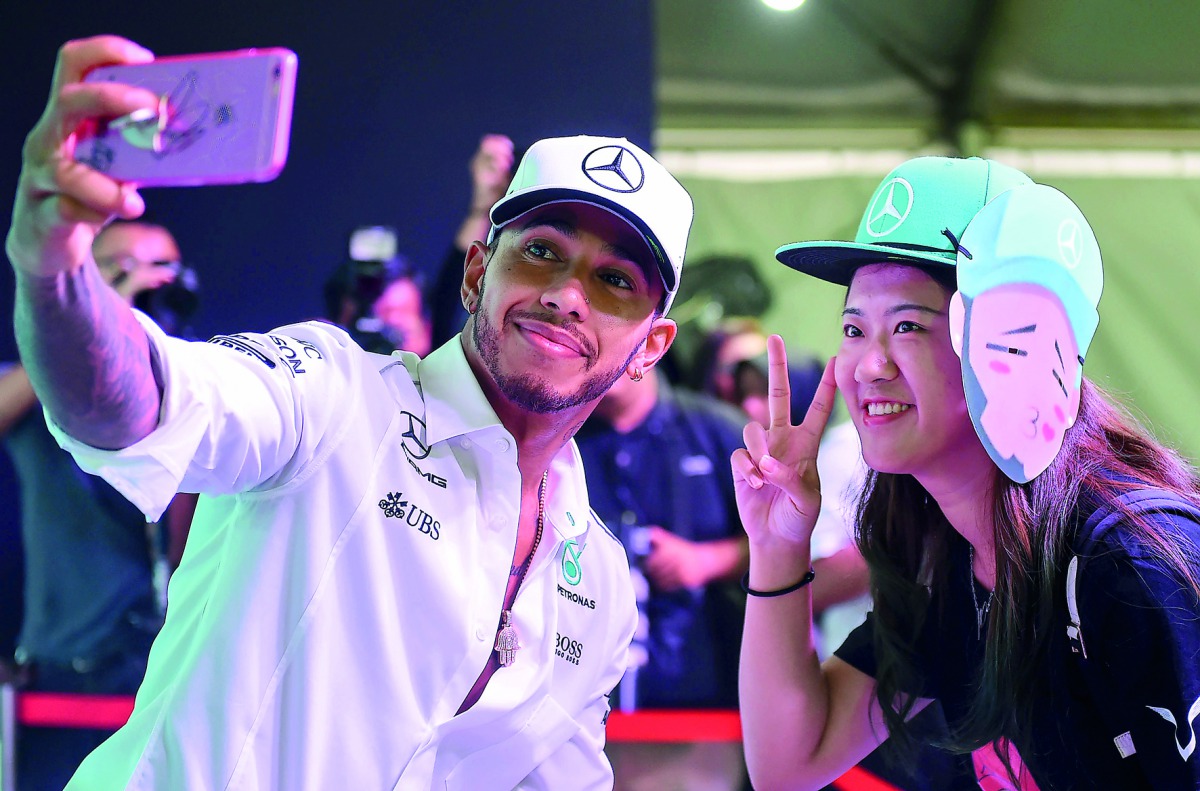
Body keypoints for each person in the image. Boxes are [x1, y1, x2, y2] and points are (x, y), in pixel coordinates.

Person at [7, 35, 694, 790]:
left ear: (651, 346)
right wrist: (54, 264)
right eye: (541, 251)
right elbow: (133, 402)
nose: (567, 294)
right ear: (476, 273)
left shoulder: (597, 578)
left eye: (615, 280)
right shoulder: (333, 393)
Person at [733, 156, 1200, 791]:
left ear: (1021, 343)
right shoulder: (951, 569)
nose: (867, 365)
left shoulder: (1127, 566)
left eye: (907, 326)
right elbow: (790, 763)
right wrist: (778, 546)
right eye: (853, 328)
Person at [0, 220, 196, 791]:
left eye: (163, 269)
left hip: (164, 669)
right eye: (124, 267)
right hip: (65, 667)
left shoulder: (194, 390)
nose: (147, 282)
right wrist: (88, 322)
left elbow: (187, 541)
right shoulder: (37, 380)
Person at [574, 364, 750, 790]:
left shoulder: (717, 430)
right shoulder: (562, 432)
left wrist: (707, 560)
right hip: (587, 709)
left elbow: (787, 539)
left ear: (653, 346)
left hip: (704, 705)